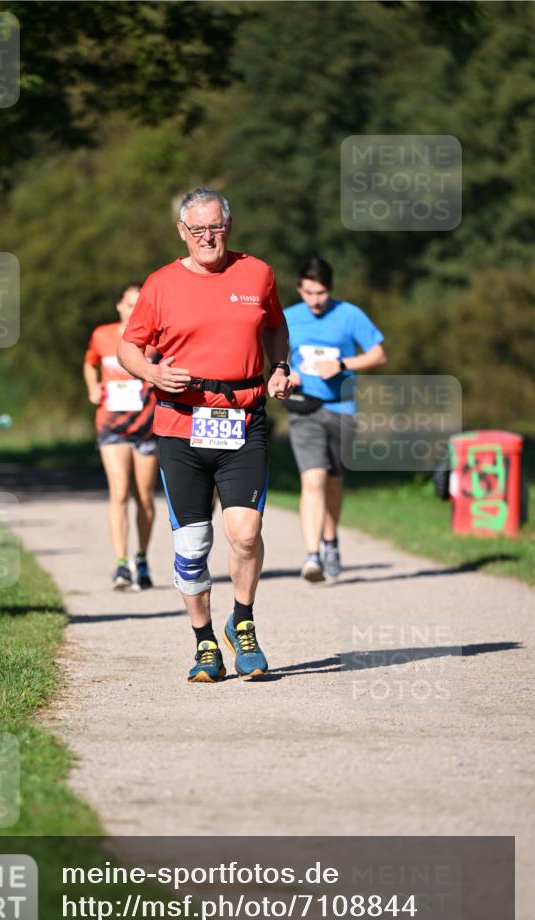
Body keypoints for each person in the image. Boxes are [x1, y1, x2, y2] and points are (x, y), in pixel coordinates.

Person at [118, 187, 292, 683]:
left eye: (215, 227)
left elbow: (275, 327)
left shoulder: (257, 273)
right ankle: (205, 642)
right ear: (182, 232)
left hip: (244, 420)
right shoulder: (160, 284)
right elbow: (129, 349)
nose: (207, 237)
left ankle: (243, 622)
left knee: (246, 533)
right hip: (181, 425)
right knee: (193, 547)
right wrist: (151, 373)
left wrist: (280, 366)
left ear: (228, 226)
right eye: (197, 229)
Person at [284, 256, 387, 582]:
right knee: (312, 479)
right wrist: (288, 372)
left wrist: (343, 364)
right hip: (305, 409)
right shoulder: (289, 317)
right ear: (299, 288)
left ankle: (331, 541)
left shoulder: (349, 314)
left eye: (321, 293)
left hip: (341, 408)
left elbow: (378, 354)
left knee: (332, 480)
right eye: (308, 292)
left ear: (330, 289)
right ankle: (312, 556)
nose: (314, 300)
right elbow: (275, 357)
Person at [83, 284, 158, 590]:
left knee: (144, 498)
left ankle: (142, 558)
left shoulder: (156, 338)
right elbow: (89, 363)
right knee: (119, 493)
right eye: (129, 305)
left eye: (139, 305)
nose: (132, 310)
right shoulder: (102, 335)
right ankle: (121, 564)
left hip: (146, 426)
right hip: (111, 425)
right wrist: (92, 387)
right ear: (119, 306)